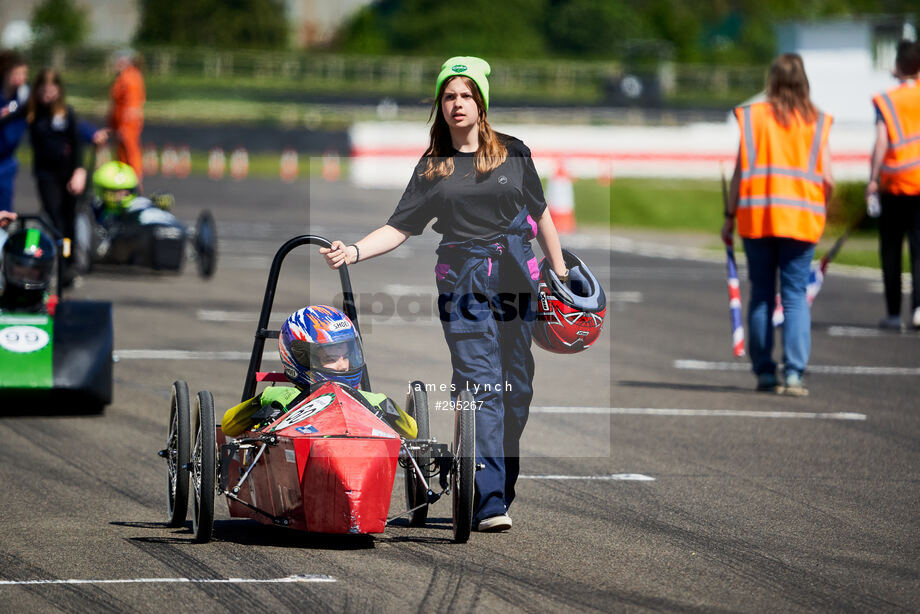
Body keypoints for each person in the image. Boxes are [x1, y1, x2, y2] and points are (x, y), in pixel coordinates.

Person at [320, 56, 569, 532]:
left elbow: (542, 217)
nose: (458, 104)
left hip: (518, 275)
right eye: (449, 96)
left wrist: (559, 274)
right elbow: (399, 227)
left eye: (466, 95)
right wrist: (352, 251)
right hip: (463, 280)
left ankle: (490, 480)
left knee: (517, 391)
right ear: (441, 105)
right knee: (483, 383)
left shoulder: (515, 153)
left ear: (481, 103)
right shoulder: (433, 167)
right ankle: (489, 501)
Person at [721, 53, 834, 397]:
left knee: (761, 296)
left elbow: (741, 172)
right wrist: (821, 211)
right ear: (804, 81)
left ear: (771, 80)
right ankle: (795, 373)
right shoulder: (816, 120)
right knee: (796, 296)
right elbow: (827, 178)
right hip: (801, 221)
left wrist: (729, 217)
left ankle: (765, 372)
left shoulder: (754, 117)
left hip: (757, 218)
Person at [221, 305, 418, 439]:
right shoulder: (277, 397)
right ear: (301, 358)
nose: (342, 366)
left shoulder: (374, 401)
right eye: (331, 358)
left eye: (345, 355)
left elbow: (413, 431)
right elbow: (228, 426)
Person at [867, 40, 920, 331]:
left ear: (897, 66)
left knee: (890, 250)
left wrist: (873, 179)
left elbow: (881, 141)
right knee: (919, 249)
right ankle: (919, 308)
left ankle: (892, 313)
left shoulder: (886, 100)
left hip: (894, 183)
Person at [25, 69, 85, 245]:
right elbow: (8, 116)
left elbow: (78, 139)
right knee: (52, 215)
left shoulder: (66, 113)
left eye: (51, 92)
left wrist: (79, 171)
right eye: (43, 91)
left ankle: (68, 261)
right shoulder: (32, 111)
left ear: (58, 91)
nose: (47, 96)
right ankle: (54, 254)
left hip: (68, 172)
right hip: (46, 173)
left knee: (69, 219)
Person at [107, 49, 145, 184]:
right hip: (121, 122)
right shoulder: (124, 76)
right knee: (122, 156)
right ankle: (124, 183)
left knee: (130, 154)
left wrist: (125, 126)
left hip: (128, 124)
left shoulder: (130, 77)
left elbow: (131, 105)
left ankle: (134, 183)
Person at [0, 226, 56, 313]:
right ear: (7, 266)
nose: (25, 273)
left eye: (34, 268)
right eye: (20, 265)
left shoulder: (53, 309)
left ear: (44, 271)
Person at [0, 51, 28, 213]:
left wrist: (91, 134)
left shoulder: (25, 97)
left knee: (5, 212)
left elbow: (55, 113)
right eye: (16, 74)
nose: (21, 78)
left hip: (7, 161)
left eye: (23, 74)